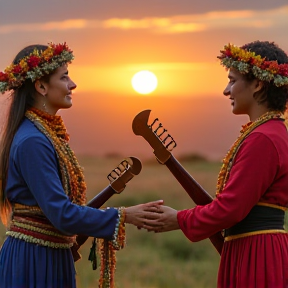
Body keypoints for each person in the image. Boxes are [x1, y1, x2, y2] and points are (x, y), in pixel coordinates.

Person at [0, 42, 163, 288]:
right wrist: (124, 215)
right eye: (64, 77)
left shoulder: (42, 134)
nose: (72, 84)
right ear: (41, 86)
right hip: (35, 260)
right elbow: (62, 214)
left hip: (49, 253)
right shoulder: (33, 140)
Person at [144, 40, 288, 288]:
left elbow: (231, 208)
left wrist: (179, 219)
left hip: (257, 254)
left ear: (257, 84)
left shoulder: (264, 138)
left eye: (232, 80)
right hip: (254, 247)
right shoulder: (271, 132)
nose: (226, 90)